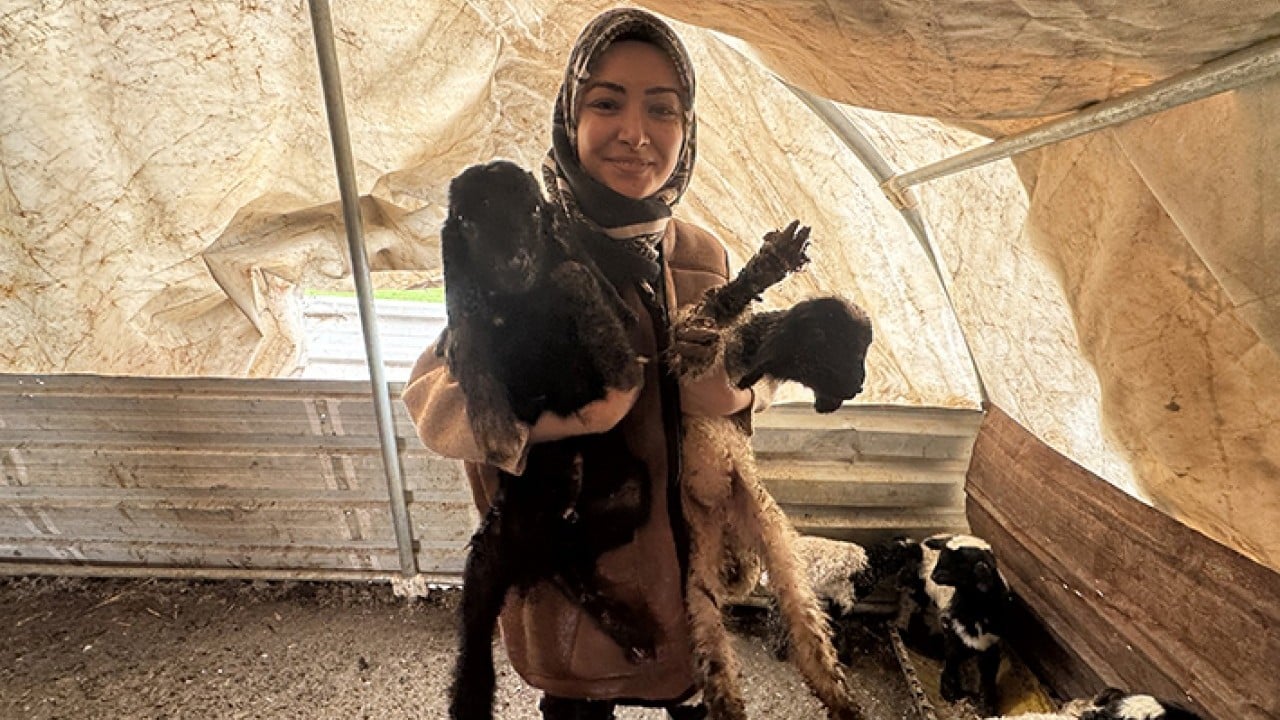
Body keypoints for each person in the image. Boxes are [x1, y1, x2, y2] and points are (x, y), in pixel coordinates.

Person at [402, 8, 769, 719]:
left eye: (663, 109)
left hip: (687, 577)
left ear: (686, 128)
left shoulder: (701, 254)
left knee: (694, 691)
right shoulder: (526, 242)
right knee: (578, 708)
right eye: (607, 102)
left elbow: (751, 368)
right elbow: (435, 393)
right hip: (579, 580)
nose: (636, 133)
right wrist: (553, 421)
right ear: (570, 115)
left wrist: (740, 394)